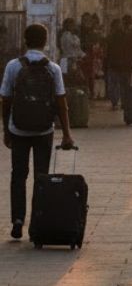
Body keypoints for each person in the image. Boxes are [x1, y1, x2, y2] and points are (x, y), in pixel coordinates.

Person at [0, 24, 75, 240]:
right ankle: (37, 222)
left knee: (18, 175)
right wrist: (67, 134)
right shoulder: (53, 68)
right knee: (41, 177)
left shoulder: (13, 66)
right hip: (44, 130)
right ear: (45, 41)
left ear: (25, 40)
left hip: (18, 129)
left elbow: (5, 100)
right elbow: (61, 103)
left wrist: (6, 130)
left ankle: (17, 220)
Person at [105, 17, 132, 110]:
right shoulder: (128, 36)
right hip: (125, 66)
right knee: (125, 85)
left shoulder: (111, 37)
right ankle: (124, 102)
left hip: (115, 65)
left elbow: (108, 51)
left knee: (114, 85)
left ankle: (115, 103)